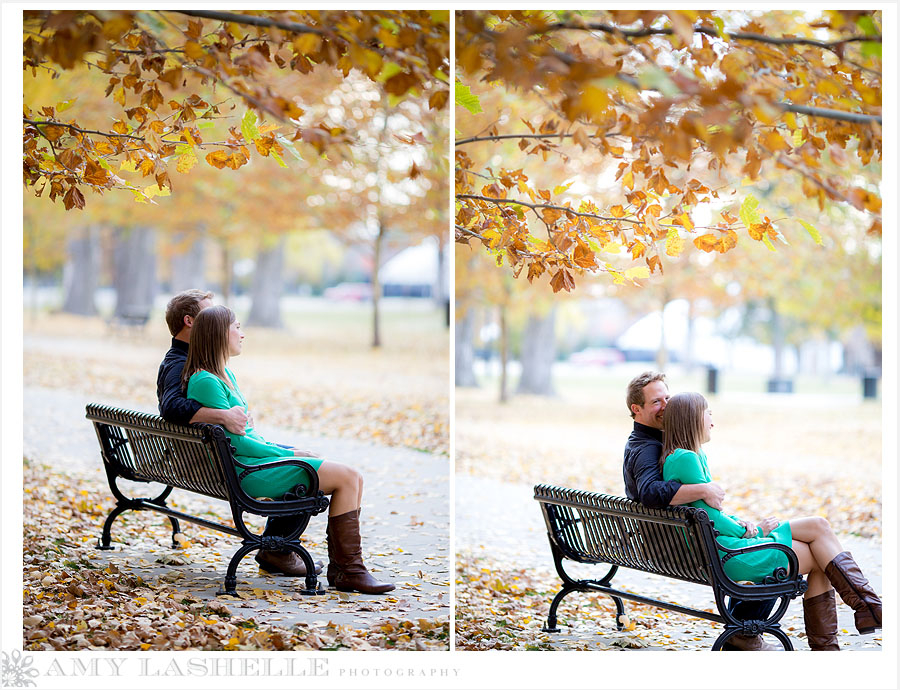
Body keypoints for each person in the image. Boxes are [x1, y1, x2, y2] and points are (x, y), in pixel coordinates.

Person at [182, 304, 394, 595]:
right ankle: (348, 571)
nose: (242, 335)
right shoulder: (206, 380)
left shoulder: (221, 376)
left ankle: (347, 570)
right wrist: (287, 456)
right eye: (238, 327)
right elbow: (237, 441)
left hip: (247, 464)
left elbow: (245, 434)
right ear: (220, 334)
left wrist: (285, 449)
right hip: (247, 472)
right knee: (348, 477)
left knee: (352, 477)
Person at [661, 391, 882, 651]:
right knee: (821, 556)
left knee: (819, 527)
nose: (712, 420)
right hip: (729, 555)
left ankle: (867, 609)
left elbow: (708, 510)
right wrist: (749, 533)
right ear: (691, 418)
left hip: (719, 548)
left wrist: (744, 524)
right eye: (708, 412)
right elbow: (709, 517)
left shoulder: (684, 456)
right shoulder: (687, 458)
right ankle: (859, 617)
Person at [623, 371, 774, 652]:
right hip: (675, 548)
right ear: (637, 409)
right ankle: (743, 628)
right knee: (776, 559)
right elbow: (649, 493)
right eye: (657, 401)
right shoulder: (647, 447)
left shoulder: (656, 442)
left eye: (667, 397)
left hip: (673, 541)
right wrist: (704, 490)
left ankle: (742, 627)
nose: (666, 406)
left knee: (769, 551)